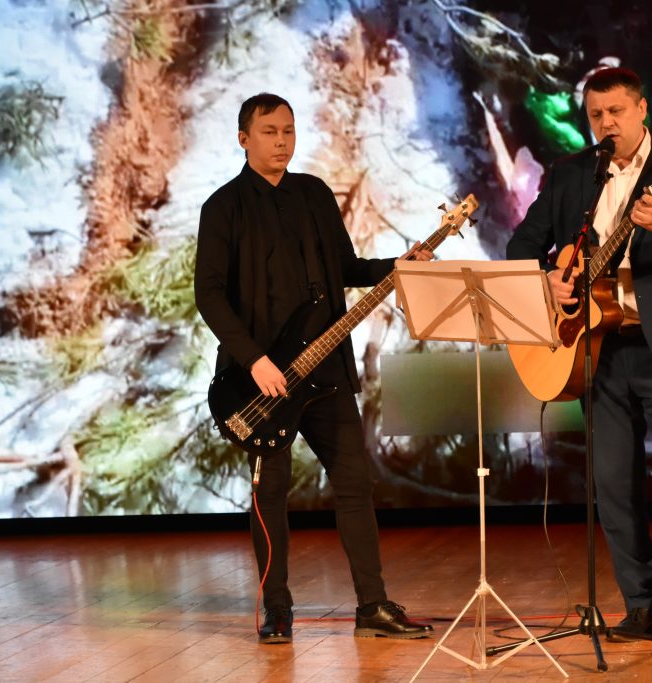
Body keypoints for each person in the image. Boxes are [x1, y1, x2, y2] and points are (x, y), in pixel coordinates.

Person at [506, 67, 652, 646]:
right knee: (612, 485)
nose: (606, 123)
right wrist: (548, 280)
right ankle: (640, 607)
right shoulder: (571, 174)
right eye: (596, 115)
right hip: (597, 350)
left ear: (642, 110)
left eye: (616, 112)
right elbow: (521, 246)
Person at [194, 93, 433, 644]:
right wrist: (255, 360)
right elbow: (209, 295)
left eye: (289, 131)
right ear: (243, 139)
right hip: (260, 382)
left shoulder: (315, 194)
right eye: (270, 132)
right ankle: (277, 610)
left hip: (325, 373)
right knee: (270, 494)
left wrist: (394, 267)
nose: (282, 141)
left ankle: (372, 606)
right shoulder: (223, 207)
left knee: (354, 484)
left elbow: (345, 267)